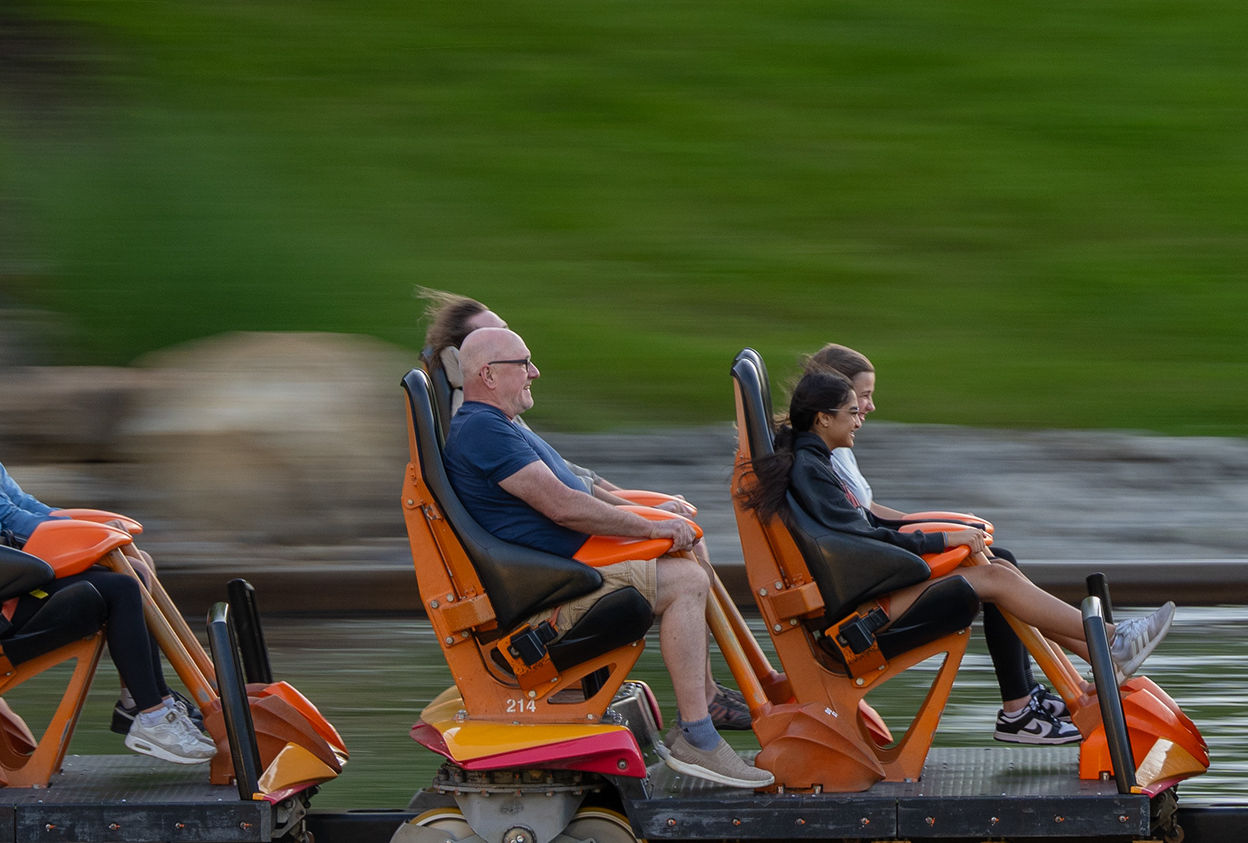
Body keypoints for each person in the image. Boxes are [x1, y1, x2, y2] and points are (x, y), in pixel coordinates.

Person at [0, 259, 214, 767]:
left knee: (122, 577)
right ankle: (149, 712)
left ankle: (152, 706)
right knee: (119, 588)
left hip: (3, 582)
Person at [747, 358, 1169, 726]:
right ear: (823, 419)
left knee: (998, 568)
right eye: (852, 412)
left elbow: (862, 533)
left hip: (866, 602)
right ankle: (1111, 641)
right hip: (862, 621)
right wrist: (941, 541)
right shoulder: (813, 470)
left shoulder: (813, 463)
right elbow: (861, 539)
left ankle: (1105, 649)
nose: (860, 420)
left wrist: (941, 544)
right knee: (997, 581)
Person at [442, 324, 771, 788]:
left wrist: (650, 511)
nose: (534, 373)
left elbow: (578, 487)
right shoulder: (482, 430)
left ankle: (714, 696)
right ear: (489, 375)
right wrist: (651, 526)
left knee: (694, 545)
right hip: (550, 592)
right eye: (524, 364)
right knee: (686, 582)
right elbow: (564, 506)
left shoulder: (502, 424)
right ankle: (696, 736)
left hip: (567, 566)